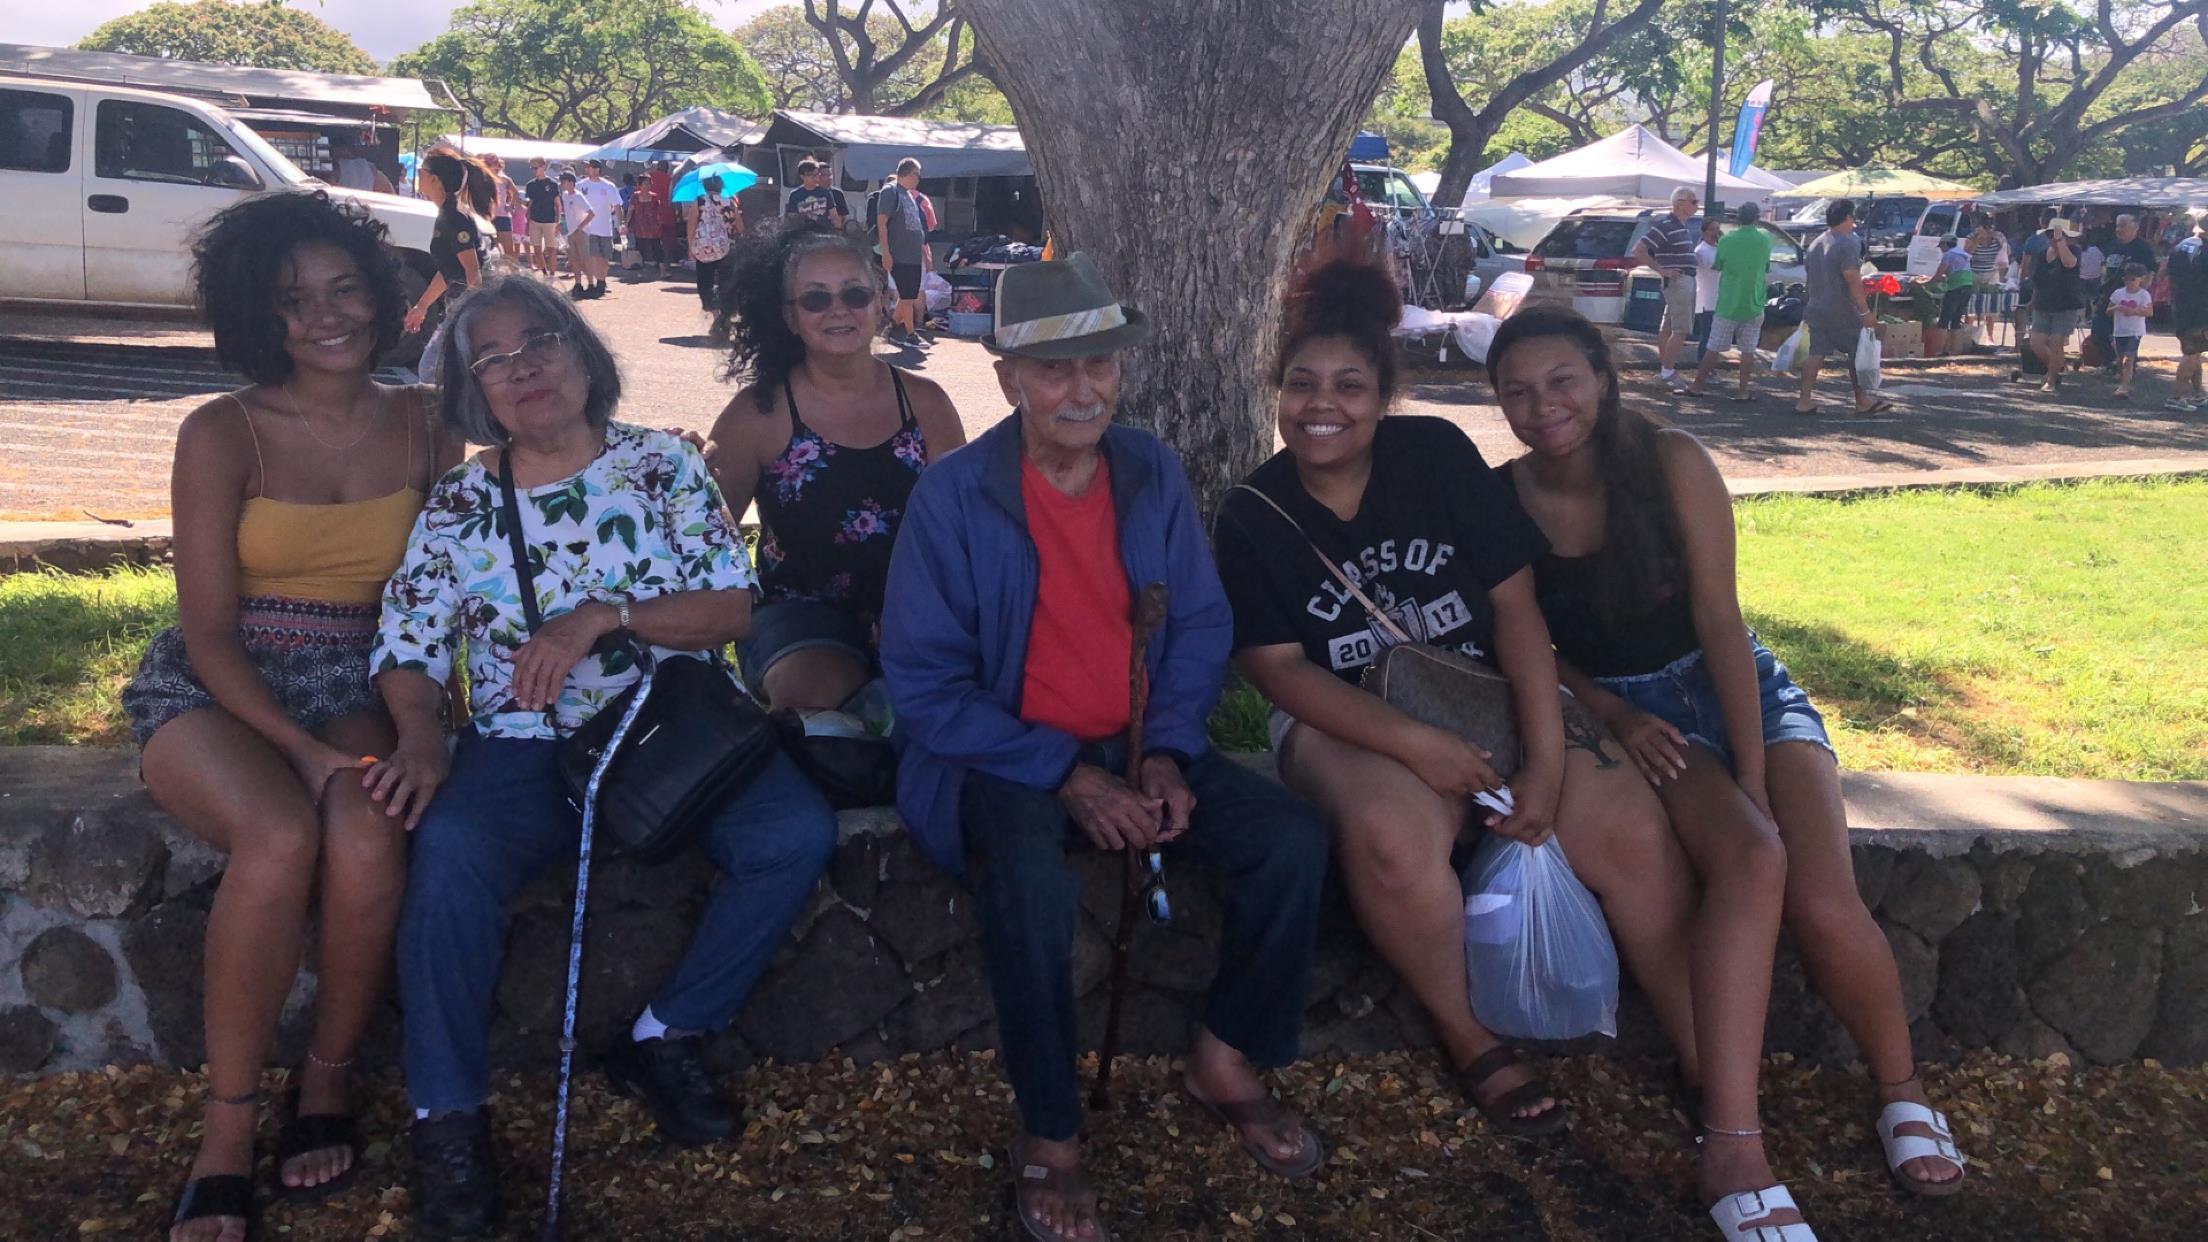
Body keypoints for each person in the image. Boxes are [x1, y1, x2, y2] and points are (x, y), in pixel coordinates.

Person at [1214, 262, 1809, 1237]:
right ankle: (1471, 1037)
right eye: (1302, 387)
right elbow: (1283, 675)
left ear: (1384, 397)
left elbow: (1515, 610)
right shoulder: (1255, 513)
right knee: (1395, 837)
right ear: (1276, 395)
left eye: (1349, 387)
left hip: (1482, 689)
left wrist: (1546, 756)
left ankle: (1710, 1067)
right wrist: (1417, 747)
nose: (1324, 407)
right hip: (1347, 717)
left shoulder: (1437, 459)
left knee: (1625, 826)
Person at [371, 275, 837, 1237]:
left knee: (794, 833)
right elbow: (408, 647)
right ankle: (446, 1116)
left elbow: (732, 606)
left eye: (539, 340)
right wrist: (421, 734)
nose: (521, 368)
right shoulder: (460, 502)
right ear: (475, 391)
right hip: (522, 744)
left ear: (584, 351)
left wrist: (606, 618)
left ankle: (666, 1035)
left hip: (670, 731)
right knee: (449, 858)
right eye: (491, 360)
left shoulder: (662, 466)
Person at [880, 254, 1331, 1242]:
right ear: (1008, 381)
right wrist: (1066, 773)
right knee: (1032, 882)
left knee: (1288, 840)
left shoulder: (1149, 469)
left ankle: (1224, 1056)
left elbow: (1200, 623)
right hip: (1000, 755)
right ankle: (1051, 1135)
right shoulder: (954, 497)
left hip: (1132, 738)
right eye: (1053, 369)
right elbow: (923, 687)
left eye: (1099, 365)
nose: (1082, 388)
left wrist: (1165, 749)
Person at [1491, 305, 1968, 1215]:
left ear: (1601, 376)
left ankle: (1902, 1090)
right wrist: (1614, 712)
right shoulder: (1503, 499)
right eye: (1516, 392)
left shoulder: (1671, 461)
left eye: (1561, 382)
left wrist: (1752, 774)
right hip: (1641, 715)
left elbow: (1720, 620)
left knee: (1820, 895)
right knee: (1752, 857)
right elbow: (1532, 646)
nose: (1541, 406)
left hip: (1737, 690)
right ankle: (1734, 1144)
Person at [122, 191, 456, 1242]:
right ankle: (226, 1132)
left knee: (368, 838)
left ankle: (323, 1085)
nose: (326, 314)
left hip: (364, 678)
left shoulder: (426, 419)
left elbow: (468, 566)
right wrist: (301, 753)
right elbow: (210, 631)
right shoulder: (223, 432)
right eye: (292, 299)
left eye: (344, 286)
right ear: (256, 316)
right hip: (222, 686)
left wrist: (420, 723)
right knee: (278, 835)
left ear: (380, 290)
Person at [707, 220, 965, 710]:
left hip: (915, 607)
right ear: (789, 316)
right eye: (815, 299)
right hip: (797, 614)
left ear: (882, 304)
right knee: (818, 700)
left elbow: (958, 531)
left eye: (855, 294)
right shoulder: (757, 415)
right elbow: (706, 539)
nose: (838, 310)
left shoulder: (926, 403)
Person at [1794, 199, 1891, 417]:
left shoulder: (1816, 242)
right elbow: (1852, 278)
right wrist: (1865, 312)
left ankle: (1804, 400)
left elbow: (1809, 277)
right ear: (1847, 217)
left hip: (1816, 305)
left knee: (1816, 352)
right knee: (1857, 350)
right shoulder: (1848, 242)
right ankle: (1862, 400)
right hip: (1841, 308)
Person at [402, 149, 492, 359]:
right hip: (458, 308)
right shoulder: (447, 214)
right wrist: (422, 306)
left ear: (435, 180)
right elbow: (449, 269)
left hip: (464, 310)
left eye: (421, 171)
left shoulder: (454, 217)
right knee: (437, 370)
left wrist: (474, 318)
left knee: (430, 369)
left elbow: (472, 270)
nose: (417, 174)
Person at [1688, 202, 1772, 400]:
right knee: (1748, 349)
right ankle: (1743, 390)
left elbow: (1719, 265)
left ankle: (1697, 386)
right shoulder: (1765, 239)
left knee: (1713, 346)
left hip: (1728, 301)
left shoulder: (1727, 240)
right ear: (1757, 218)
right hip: (1755, 300)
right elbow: (1766, 266)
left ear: (1737, 218)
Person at [1630, 186, 1702, 389]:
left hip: (1682, 280)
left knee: (1669, 327)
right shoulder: (1666, 225)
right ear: (1680, 203)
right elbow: (1639, 249)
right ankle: (1667, 372)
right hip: (1679, 281)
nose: (1696, 205)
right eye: (1693, 201)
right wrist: (1661, 269)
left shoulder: (1681, 226)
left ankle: (1666, 368)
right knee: (1681, 329)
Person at [2093, 214, 2159, 374]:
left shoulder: (2143, 248)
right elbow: (2105, 268)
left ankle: (2127, 370)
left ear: (2135, 227)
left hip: (2131, 297)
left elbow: (2151, 271)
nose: (2119, 229)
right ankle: (2109, 362)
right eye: (2117, 226)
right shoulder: (2112, 245)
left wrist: (2141, 291)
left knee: (2128, 336)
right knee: (2099, 331)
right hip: (2109, 295)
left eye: (2123, 226)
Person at [875, 158, 930, 347]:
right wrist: (886, 253)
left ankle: (889, 328)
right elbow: (882, 223)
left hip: (913, 255)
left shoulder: (909, 195)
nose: (918, 179)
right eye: (917, 174)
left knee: (908, 296)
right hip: (900, 254)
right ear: (909, 173)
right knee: (906, 296)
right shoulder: (890, 191)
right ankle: (910, 334)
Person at [2027, 218, 2084, 393]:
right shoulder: (2042, 253)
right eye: (2050, 234)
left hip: (2065, 305)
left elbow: (2069, 263)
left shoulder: (2074, 251)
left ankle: (2051, 379)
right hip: (2043, 303)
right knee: (2036, 343)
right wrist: (2032, 300)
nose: (2053, 238)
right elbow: (2036, 280)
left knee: (2056, 342)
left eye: (2057, 235)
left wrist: (2061, 244)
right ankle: (2057, 366)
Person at [2168, 215, 2208, 411]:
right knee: (2192, 353)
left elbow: (2169, 272)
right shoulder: (2204, 250)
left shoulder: (2181, 245)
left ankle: (2200, 393)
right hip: (2201, 307)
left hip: (2181, 304)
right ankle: (2176, 397)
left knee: (2194, 350)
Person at [686, 173, 741, 312]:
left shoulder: (699, 201)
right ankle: (725, 311)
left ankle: (711, 308)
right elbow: (740, 227)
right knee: (726, 282)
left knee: (705, 281)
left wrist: (690, 245)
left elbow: (691, 224)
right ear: (721, 185)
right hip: (726, 247)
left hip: (703, 248)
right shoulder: (730, 202)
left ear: (704, 185)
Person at [572, 159, 625, 299]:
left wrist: (621, 223)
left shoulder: (608, 186)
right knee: (592, 256)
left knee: (604, 257)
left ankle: (601, 281)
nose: (592, 170)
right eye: (590, 167)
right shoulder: (580, 185)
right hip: (588, 228)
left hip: (605, 227)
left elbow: (617, 206)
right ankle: (595, 283)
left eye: (595, 168)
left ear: (599, 169)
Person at [1923, 234, 1974, 358]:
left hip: (1955, 287)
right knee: (1956, 319)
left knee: (1944, 320)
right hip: (1967, 285)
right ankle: (1955, 350)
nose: (1940, 249)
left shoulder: (1948, 255)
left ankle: (1939, 350)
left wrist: (1924, 283)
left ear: (1946, 244)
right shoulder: (1962, 253)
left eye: (1941, 246)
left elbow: (1939, 274)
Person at [2109, 263, 2153, 399]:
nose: (2129, 282)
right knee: (2120, 358)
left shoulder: (2144, 295)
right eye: (2126, 279)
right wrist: (2117, 307)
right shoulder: (2118, 293)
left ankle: (2124, 387)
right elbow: (2108, 311)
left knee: (2129, 359)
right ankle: (2123, 380)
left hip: (2135, 331)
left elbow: (2149, 312)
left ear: (2141, 279)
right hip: (2119, 330)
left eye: (2132, 279)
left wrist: (2134, 311)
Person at [1966, 217, 2008, 345]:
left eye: (1990, 227)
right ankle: (1969, 334)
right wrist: (1977, 241)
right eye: (1985, 227)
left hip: (1991, 272)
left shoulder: (1998, 237)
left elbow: (2006, 252)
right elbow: (1967, 254)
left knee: (1991, 306)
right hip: (1974, 272)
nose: (1988, 230)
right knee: (1972, 304)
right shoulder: (1972, 237)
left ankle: (1990, 336)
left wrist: (1999, 240)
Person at [479, 152, 522, 268]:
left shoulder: (504, 179)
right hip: (488, 217)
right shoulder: (483, 179)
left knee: (508, 249)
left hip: (502, 216)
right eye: (487, 164)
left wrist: (510, 205)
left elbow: (516, 193)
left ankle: (515, 274)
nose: (489, 167)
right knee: (491, 247)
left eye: (491, 164)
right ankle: (496, 273)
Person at [521, 157, 562, 278]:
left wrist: (558, 221)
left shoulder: (552, 184)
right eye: (532, 168)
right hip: (535, 220)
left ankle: (552, 273)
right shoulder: (530, 185)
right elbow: (530, 203)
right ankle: (544, 272)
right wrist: (527, 222)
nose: (534, 170)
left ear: (543, 167)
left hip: (549, 220)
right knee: (537, 249)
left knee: (551, 249)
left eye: (536, 168)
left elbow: (558, 204)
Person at [784, 159, 850, 229]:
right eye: (812, 176)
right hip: (803, 233)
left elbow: (834, 217)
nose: (816, 178)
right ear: (802, 176)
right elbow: (791, 219)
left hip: (823, 232)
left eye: (817, 174)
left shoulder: (825, 193)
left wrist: (838, 228)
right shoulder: (795, 195)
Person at [1692, 217, 1722, 365]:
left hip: (1719, 300)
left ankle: (1710, 367)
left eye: (1717, 229)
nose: (1715, 233)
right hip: (1706, 300)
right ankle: (1703, 366)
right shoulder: (1701, 251)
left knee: (1715, 337)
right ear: (1703, 232)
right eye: (1712, 229)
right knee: (1707, 335)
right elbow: (1717, 266)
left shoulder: (1717, 249)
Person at [628, 174, 670, 278]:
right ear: (639, 185)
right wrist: (625, 223)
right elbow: (630, 211)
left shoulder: (655, 197)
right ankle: (642, 270)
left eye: (649, 183)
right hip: (639, 227)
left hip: (654, 228)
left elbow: (659, 212)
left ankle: (662, 271)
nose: (647, 186)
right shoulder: (635, 197)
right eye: (645, 183)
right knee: (641, 249)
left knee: (657, 249)